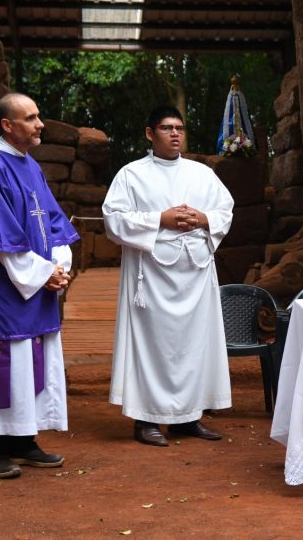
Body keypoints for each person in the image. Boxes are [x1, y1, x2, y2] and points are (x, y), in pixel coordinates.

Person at [0, 93, 80, 479]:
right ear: (7, 125)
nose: (39, 123)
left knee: (31, 363)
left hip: (36, 286)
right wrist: (43, 274)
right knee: (4, 363)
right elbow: (1, 235)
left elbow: (54, 222)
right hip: (2, 291)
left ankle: (23, 440)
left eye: (38, 115)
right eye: (30, 118)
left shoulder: (30, 165)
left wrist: (59, 267)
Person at [103, 105, 234, 447]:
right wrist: (159, 219)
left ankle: (188, 417)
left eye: (180, 127)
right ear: (150, 133)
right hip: (152, 277)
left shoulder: (202, 174)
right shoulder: (131, 175)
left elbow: (225, 210)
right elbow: (114, 221)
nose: (175, 133)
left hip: (195, 273)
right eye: (166, 128)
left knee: (194, 344)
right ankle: (146, 418)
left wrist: (203, 219)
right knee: (153, 346)